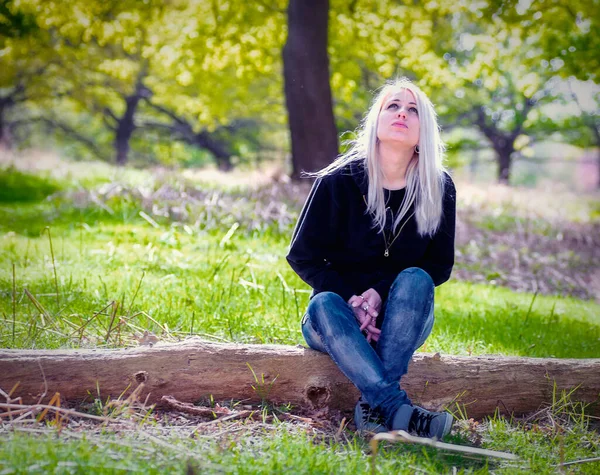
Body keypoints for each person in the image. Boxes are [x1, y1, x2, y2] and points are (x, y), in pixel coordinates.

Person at [286, 77, 456, 438]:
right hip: (338, 322)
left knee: (416, 278)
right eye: (392, 106)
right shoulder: (337, 180)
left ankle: (379, 405)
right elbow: (303, 256)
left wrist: (379, 295)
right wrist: (353, 300)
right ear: (376, 120)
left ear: (424, 129)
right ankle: (394, 409)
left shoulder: (439, 187)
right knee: (323, 303)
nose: (401, 114)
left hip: (403, 321)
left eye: (413, 110)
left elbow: (438, 266)